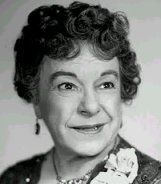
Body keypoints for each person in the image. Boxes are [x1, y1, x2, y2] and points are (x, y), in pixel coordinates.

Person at [0, 1, 161, 184]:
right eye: (68, 86)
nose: (91, 107)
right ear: (36, 99)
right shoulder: (13, 178)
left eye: (106, 84)